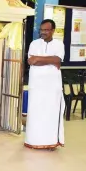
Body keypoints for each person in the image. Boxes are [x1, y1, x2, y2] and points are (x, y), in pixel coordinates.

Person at [25, 19, 65, 150]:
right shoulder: (34, 44)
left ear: (53, 30)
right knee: (36, 113)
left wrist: (39, 58)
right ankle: (34, 141)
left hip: (52, 87)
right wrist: (49, 61)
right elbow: (31, 61)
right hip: (36, 86)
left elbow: (58, 59)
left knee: (51, 114)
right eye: (41, 30)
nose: (43, 32)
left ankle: (50, 141)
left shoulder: (59, 44)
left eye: (46, 30)